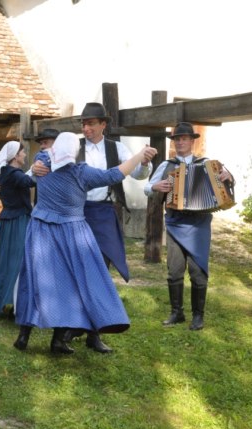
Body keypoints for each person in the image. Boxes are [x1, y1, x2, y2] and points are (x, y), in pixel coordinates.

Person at [15, 132, 156, 354]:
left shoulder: (42, 162)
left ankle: (24, 336)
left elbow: (33, 171)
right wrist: (139, 156)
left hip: (40, 228)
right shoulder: (81, 172)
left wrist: (34, 168)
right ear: (75, 152)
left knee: (34, 279)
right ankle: (58, 340)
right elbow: (114, 175)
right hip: (70, 232)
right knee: (71, 282)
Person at [66, 102, 153, 353]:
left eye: (91, 123)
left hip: (104, 213)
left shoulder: (117, 148)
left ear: (103, 124)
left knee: (100, 273)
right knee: (75, 271)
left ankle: (94, 333)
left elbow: (137, 174)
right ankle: (70, 328)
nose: (86, 128)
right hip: (77, 214)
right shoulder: (74, 147)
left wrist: (145, 162)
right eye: (83, 123)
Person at [144, 122, 234, 331]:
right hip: (175, 223)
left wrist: (228, 178)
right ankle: (177, 313)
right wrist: (155, 186)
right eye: (177, 139)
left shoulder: (209, 164)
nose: (181, 142)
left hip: (200, 224)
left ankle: (198, 316)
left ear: (193, 141)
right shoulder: (166, 165)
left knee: (197, 271)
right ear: (174, 142)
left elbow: (227, 183)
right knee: (174, 270)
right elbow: (148, 187)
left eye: (185, 138)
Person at [0, 141, 34, 315]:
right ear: (15, 156)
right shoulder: (14, 174)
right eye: (23, 152)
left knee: (4, 260)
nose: (24, 155)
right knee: (16, 261)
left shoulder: (5, 173)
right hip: (17, 222)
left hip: (7, 221)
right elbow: (30, 181)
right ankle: (8, 302)